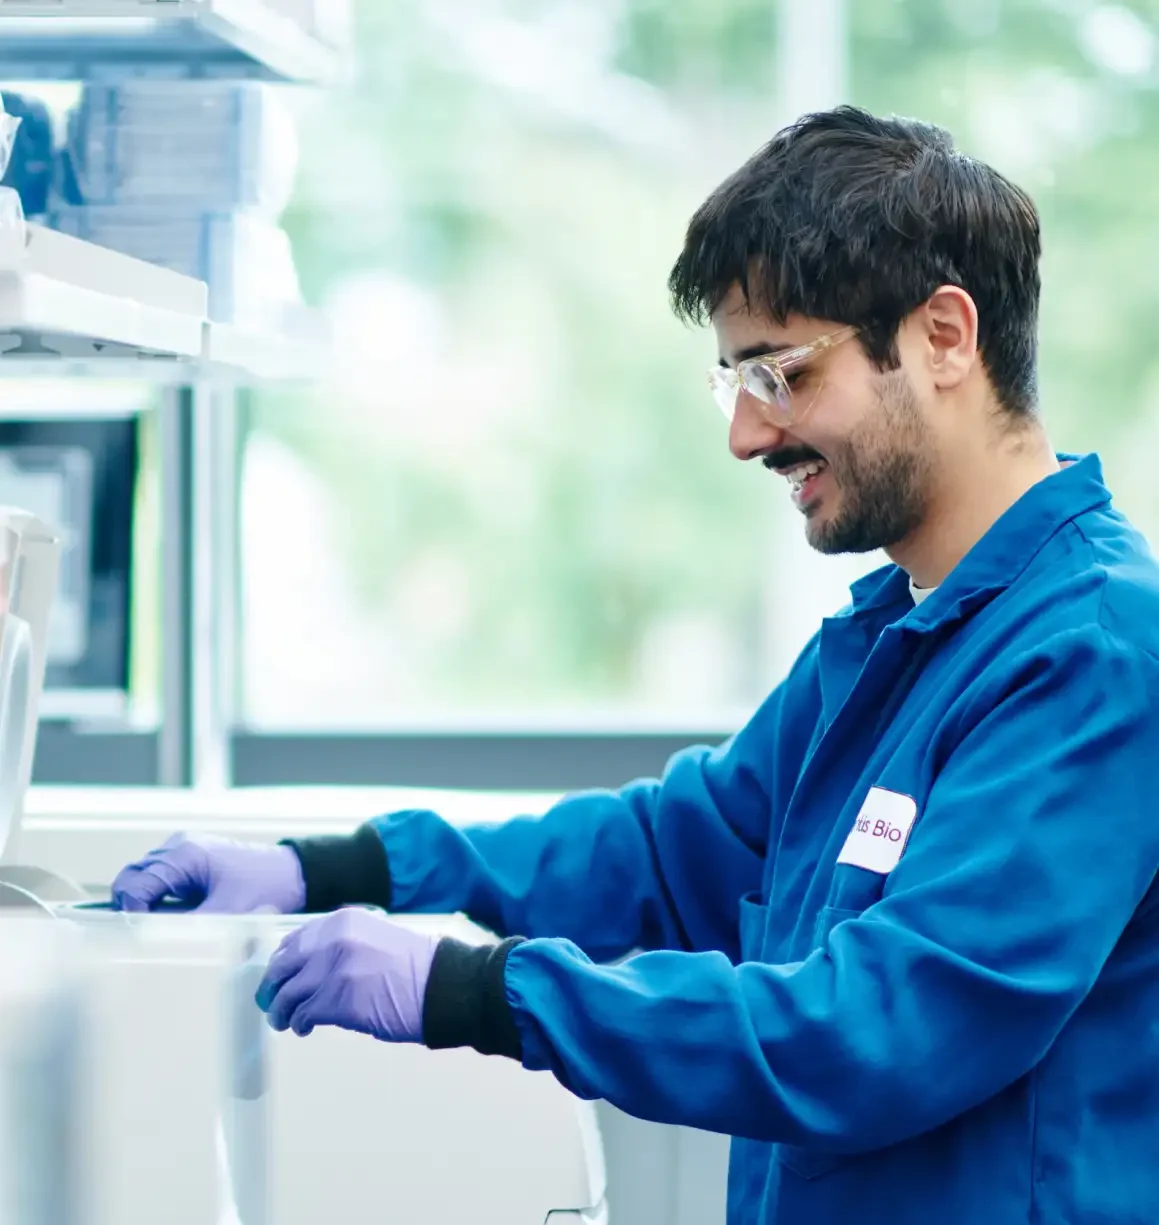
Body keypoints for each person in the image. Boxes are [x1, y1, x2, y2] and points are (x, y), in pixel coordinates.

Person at [111, 106, 1159, 1225]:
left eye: (782, 373)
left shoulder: (1091, 656)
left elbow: (880, 1029)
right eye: (735, 383)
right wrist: (334, 869)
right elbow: (666, 851)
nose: (748, 435)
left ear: (944, 336)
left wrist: (470, 989)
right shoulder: (894, 640)